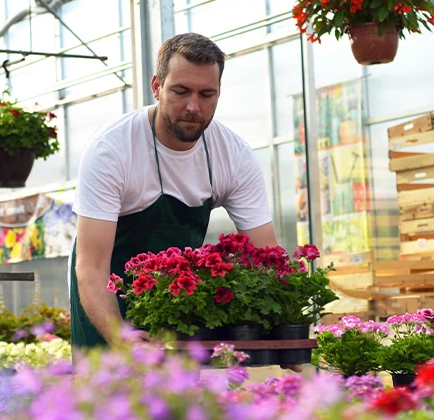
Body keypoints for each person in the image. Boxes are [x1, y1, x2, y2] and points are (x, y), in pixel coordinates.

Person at [69, 32, 279, 349]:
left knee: (180, 397)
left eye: (207, 94)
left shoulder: (233, 155)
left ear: (219, 93)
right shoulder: (112, 150)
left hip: (177, 306)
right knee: (106, 396)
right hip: (107, 302)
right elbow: (91, 266)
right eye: (180, 91)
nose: (193, 106)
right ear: (157, 86)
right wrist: (119, 335)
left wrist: (283, 332)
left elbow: (266, 257)